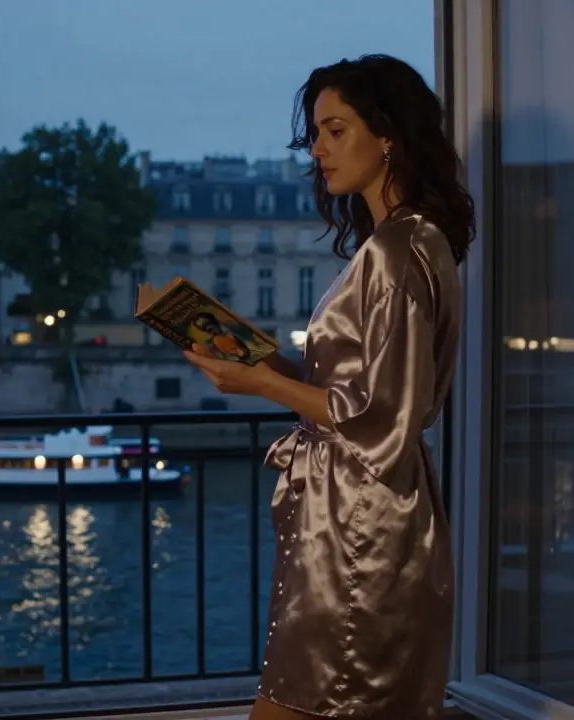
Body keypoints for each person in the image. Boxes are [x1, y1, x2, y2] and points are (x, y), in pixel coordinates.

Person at [184, 54, 474, 719]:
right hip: (360, 517)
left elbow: (382, 417)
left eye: (335, 130)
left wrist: (260, 383)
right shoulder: (413, 242)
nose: (316, 149)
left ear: (389, 134)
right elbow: (367, 394)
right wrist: (269, 363)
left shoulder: (395, 253)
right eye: (315, 133)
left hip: (359, 526)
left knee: (297, 704)